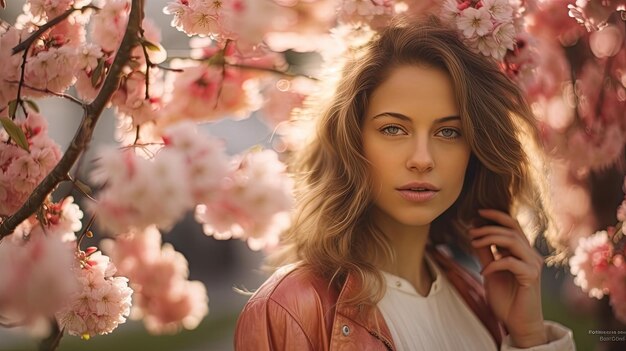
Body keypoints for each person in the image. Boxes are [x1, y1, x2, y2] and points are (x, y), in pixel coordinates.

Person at [234, 16, 575, 350]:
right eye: (393, 129)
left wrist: (529, 337)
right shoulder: (290, 307)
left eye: (449, 132)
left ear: (474, 151)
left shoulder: (477, 296)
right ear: (351, 142)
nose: (423, 159)